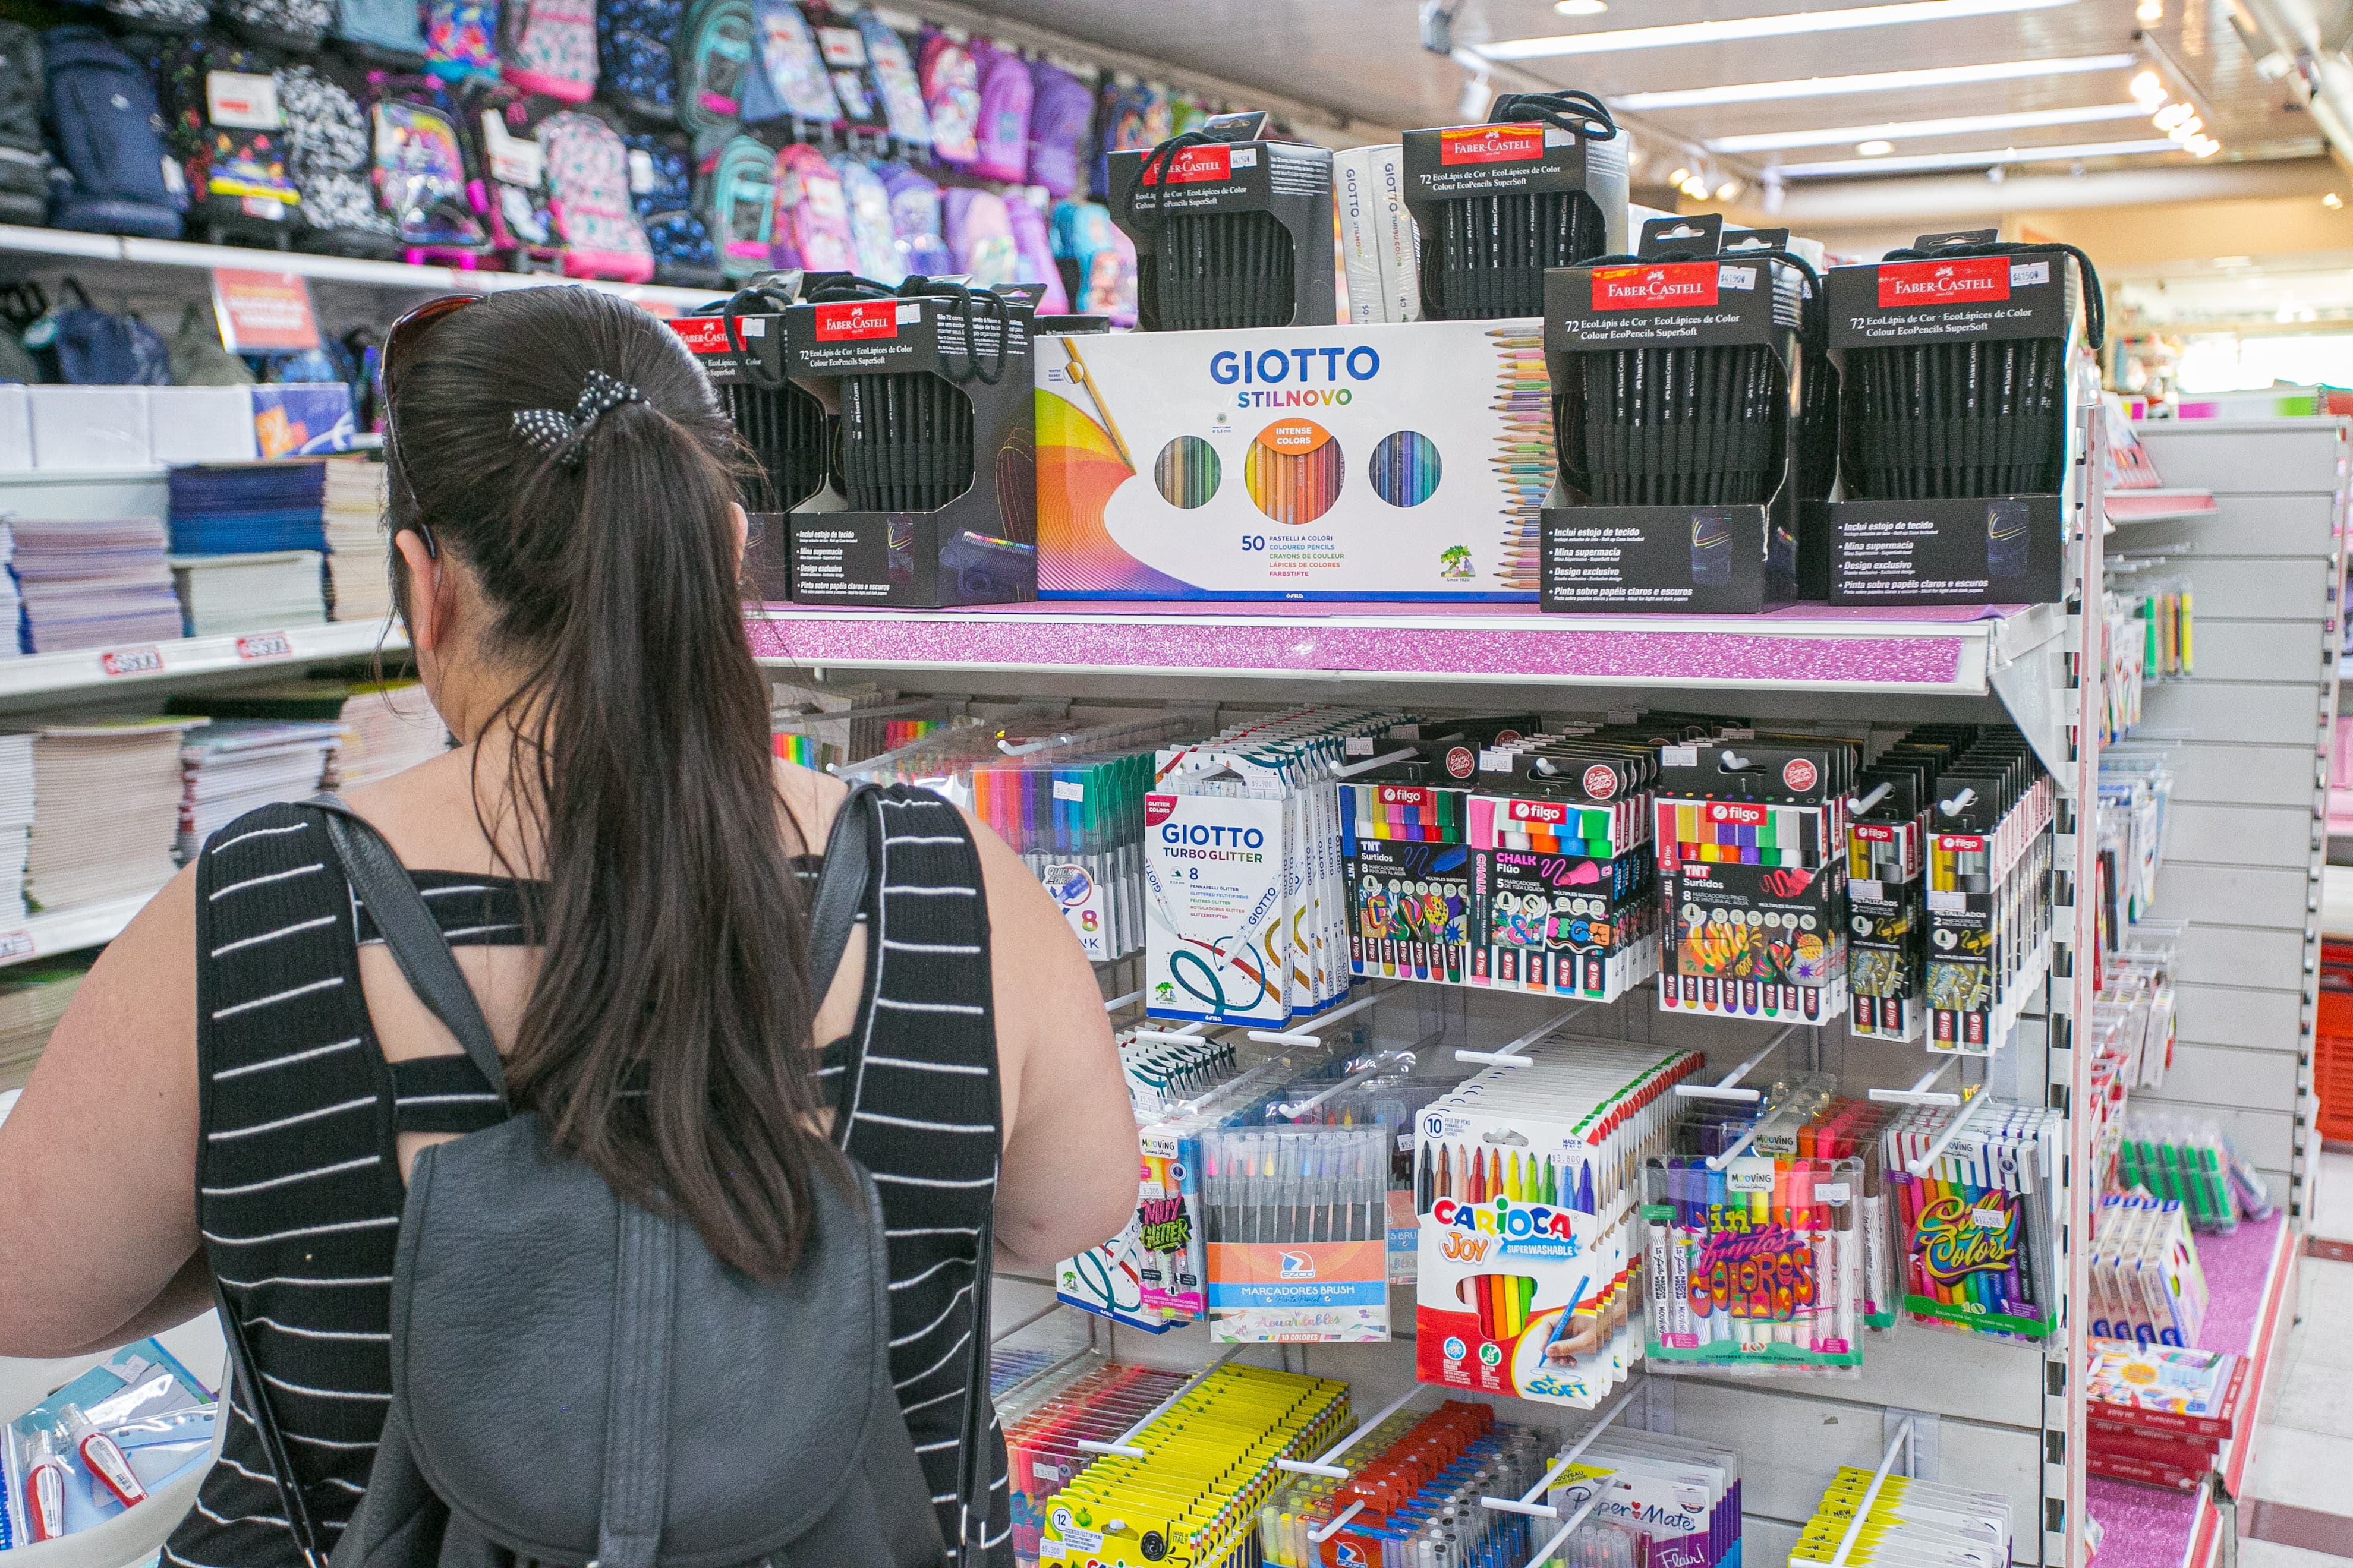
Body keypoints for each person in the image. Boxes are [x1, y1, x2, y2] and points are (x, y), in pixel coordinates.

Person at [0, 285, 1139, 1566]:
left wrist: (270, 1219)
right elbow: (1069, 1214)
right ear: (725, 549)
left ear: (427, 585)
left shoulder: (255, 910)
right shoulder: (949, 883)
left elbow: (32, 1291)